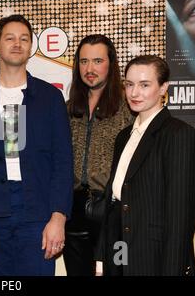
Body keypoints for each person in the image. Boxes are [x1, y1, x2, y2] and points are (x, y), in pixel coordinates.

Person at [0, 14, 73, 276]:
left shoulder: (50, 98)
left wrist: (58, 217)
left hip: (38, 213)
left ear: (31, 47)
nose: (17, 44)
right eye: (9, 38)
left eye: (24, 39)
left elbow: (63, 162)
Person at [96, 55, 195, 276]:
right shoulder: (124, 136)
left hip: (156, 256)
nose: (134, 93)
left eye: (144, 85)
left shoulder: (179, 134)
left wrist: (173, 270)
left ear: (163, 88)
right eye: (129, 84)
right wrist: (102, 259)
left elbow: (181, 216)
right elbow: (113, 201)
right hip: (119, 248)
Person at [63, 34, 133, 276]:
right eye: (83, 62)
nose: (89, 69)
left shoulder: (129, 107)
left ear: (111, 64)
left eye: (97, 61)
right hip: (73, 214)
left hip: (113, 212)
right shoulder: (68, 108)